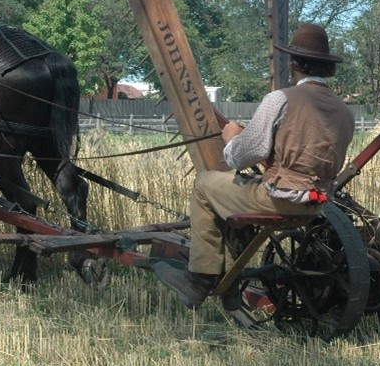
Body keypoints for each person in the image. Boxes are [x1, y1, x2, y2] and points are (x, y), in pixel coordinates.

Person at [152, 23, 355, 310]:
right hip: (316, 204)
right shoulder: (345, 112)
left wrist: (232, 136)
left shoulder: (280, 99)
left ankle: (199, 279)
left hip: (279, 198)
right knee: (234, 198)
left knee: (205, 184)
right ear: (327, 68)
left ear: (294, 63)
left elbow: (243, 156)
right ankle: (230, 284)